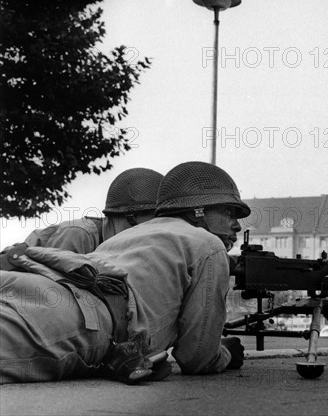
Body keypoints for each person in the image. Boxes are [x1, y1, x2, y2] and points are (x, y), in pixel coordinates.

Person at [0, 161, 247, 384]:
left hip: (32, 285)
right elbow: (198, 358)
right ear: (199, 210)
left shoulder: (132, 232)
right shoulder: (208, 245)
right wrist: (224, 352)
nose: (236, 224)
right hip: (78, 315)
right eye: (229, 212)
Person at [22, 167, 164, 253]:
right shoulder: (79, 235)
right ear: (128, 218)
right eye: (141, 229)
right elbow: (50, 289)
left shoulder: (113, 244)